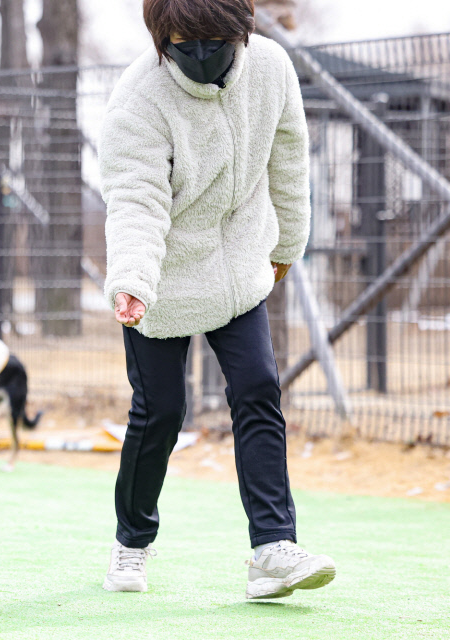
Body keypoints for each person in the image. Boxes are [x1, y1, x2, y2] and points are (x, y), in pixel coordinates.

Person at [98, 0, 335, 599]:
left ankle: (272, 548)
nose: (201, 55)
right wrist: (132, 280)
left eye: (216, 42)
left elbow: (287, 155)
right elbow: (136, 199)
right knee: (161, 415)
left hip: (239, 269)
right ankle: (131, 542)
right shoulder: (138, 98)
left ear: (242, 32)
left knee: (258, 389)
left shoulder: (272, 68)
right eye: (184, 44)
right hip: (161, 279)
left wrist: (289, 241)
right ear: (161, 40)